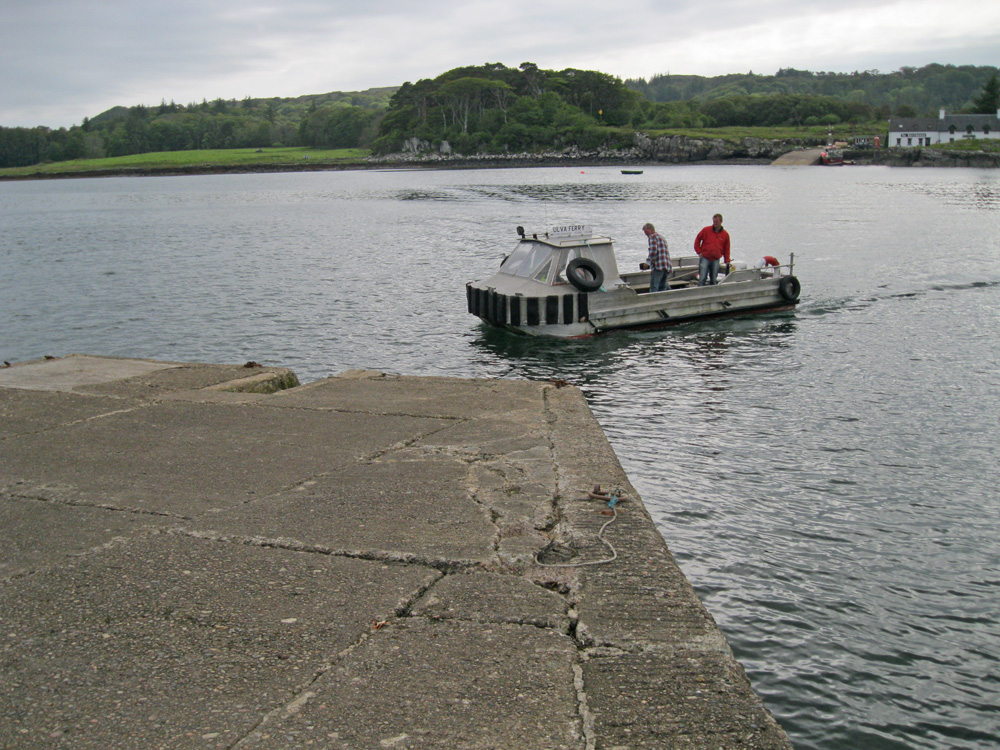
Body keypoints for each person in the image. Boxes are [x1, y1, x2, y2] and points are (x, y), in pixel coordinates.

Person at [693, 213, 731, 286]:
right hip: (705, 257)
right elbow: (697, 240)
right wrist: (699, 251)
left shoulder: (725, 234)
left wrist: (727, 260)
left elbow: (727, 248)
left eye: (716, 222)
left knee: (713, 279)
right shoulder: (706, 230)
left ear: (721, 221)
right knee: (702, 278)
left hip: (715, 259)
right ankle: (699, 292)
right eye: (714, 221)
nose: (715, 223)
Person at [640, 223, 671, 293]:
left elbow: (653, 251)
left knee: (654, 287)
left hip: (658, 266)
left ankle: (652, 302)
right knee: (662, 288)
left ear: (650, 230)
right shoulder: (662, 237)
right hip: (666, 266)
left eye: (645, 231)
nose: (645, 234)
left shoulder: (652, 237)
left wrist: (647, 263)